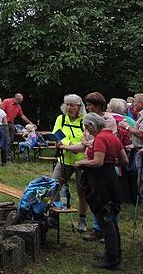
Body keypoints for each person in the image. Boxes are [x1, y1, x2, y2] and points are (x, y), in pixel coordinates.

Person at [75, 113, 128, 270]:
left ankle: (112, 259)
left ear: (92, 125)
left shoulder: (100, 138)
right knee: (111, 217)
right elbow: (125, 160)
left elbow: (97, 162)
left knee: (105, 218)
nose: (87, 130)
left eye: (87, 127)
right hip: (112, 179)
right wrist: (110, 162)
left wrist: (81, 162)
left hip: (100, 182)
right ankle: (114, 252)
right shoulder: (113, 137)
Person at [51, 93, 89, 232]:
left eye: (72, 105)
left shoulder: (85, 120)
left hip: (82, 161)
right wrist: (71, 144)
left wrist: (69, 144)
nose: (69, 107)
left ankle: (82, 218)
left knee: (82, 190)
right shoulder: (61, 119)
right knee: (54, 186)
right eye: (67, 104)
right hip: (64, 159)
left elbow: (87, 140)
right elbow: (57, 135)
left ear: (80, 107)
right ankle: (52, 215)